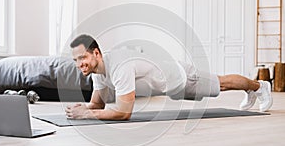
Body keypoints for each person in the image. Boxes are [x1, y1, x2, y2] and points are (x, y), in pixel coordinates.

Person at [65, 34, 273, 120]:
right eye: (75, 60)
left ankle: (259, 86)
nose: (79, 64)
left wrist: (87, 115)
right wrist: (82, 108)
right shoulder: (98, 72)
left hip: (182, 77)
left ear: (96, 54)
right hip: (171, 86)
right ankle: (253, 89)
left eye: (82, 57)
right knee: (221, 83)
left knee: (223, 83)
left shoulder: (120, 66)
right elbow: (97, 104)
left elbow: (123, 112)